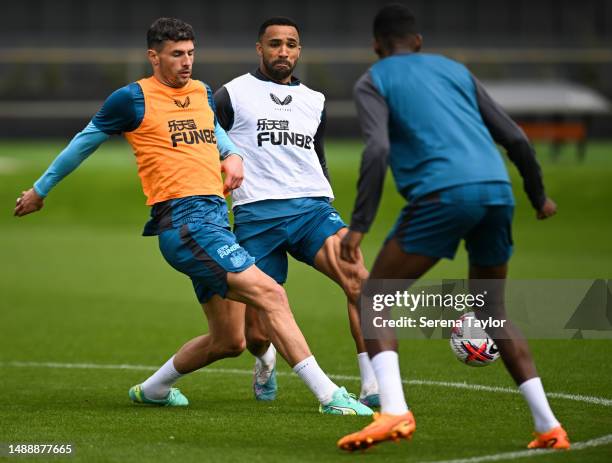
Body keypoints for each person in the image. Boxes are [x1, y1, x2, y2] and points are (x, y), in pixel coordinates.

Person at [14, 17, 371, 416]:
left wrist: (232, 155)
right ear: (154, 57)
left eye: (190, 53)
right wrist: (39, 191)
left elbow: (215, 131)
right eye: (177, 55)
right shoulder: (131, 99)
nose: (186, 62)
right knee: (271, 293)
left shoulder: (201, 91)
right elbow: (82, 143)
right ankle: (329, 397)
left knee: (229, 341)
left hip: (216, 223)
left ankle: (153, 389)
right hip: (186, 224)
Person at [337, 4, 570, 451]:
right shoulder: (454, 71)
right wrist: (538, 196)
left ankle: (393, 412)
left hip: (443, 194)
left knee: (374, 297)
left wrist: (360, 225)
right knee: (491, 312)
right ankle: (549, 427)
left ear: (376, 46)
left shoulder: (374, 80)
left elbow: (377, 150)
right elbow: (516, 137)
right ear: (418, 41)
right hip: (497, 192)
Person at [213, 16, 379, 407]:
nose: (283, 51)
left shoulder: (315, 101)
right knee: (254, 335)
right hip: (257, 217)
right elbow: (208, 144)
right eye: (274, 44)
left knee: (361, 282)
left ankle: (373, 385)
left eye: (290, 44)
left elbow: (315, 157)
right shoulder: (231, 95)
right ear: (260, 49)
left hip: (312, 211)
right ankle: (266, 360)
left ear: (299, 50)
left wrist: (326, 200)